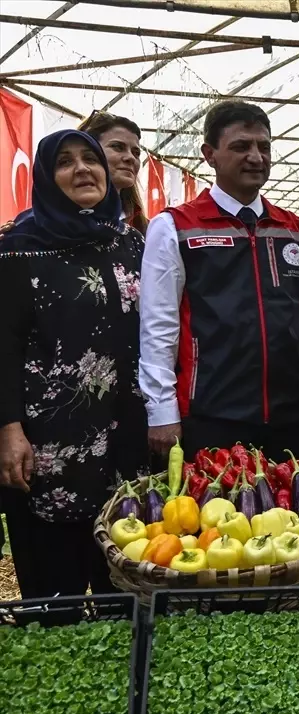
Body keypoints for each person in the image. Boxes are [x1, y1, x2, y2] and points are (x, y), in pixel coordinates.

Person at [139, 100, 299, 465]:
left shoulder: (291, 228)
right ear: (209, 155)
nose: (256, 157)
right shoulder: (176, 227)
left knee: (296, 516)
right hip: (213, 416)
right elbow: (157, 328)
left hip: (291, 414)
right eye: (241, 146)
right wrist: (162, 412)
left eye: (264, 146)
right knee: (218, 519)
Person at [0, 130, 147, 598]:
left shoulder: (130, 244)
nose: (82, 168)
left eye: (91, 158)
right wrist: (9, 428)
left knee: (124, 575)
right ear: (45, 176)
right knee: (53, 589)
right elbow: (2, 342)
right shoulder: (17, 249)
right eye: (65, 162)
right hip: (49, 444)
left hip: (125, 434)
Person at [79, 111, 149, 235]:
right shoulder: (46, 225)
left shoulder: (145, 228)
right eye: (117, 147)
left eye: (136, 153)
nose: (130, 157)